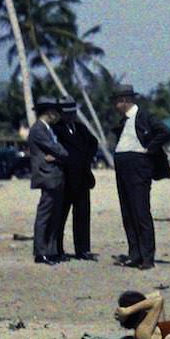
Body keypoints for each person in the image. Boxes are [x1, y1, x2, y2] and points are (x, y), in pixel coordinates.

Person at [111, 85, 170, 269]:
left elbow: (165, 131)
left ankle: (147, 258)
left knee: (140, 212)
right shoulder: (123, 121)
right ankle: (135, 254)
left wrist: (149, 149)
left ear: (124, 101)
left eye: (117, 101)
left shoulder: (145, 116)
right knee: (128, 213)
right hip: (123, 165)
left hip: (138, 165)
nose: (115, 105)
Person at [52, 101, 98, 261]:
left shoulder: (81, 128)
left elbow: (94, 143)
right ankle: (57, 248)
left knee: (82, 215)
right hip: (65, 178)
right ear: (61, 113)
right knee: (60, 215)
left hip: (83, 178)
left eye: (73, 112)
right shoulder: (55, 129)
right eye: (67, 112)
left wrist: (86, 158)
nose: (70, 115)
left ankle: (83, 249)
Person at [28, 100, 69, 265]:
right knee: (45, 215)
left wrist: (58, 154)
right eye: (56, 112)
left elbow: (56, 150)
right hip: (47, 176)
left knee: (55, 215)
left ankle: (51, 250)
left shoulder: (47, 129)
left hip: (55, 176)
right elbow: (56, 148)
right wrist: (61, 154)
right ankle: (40, 252)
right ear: (49, 112)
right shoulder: (38, 129)